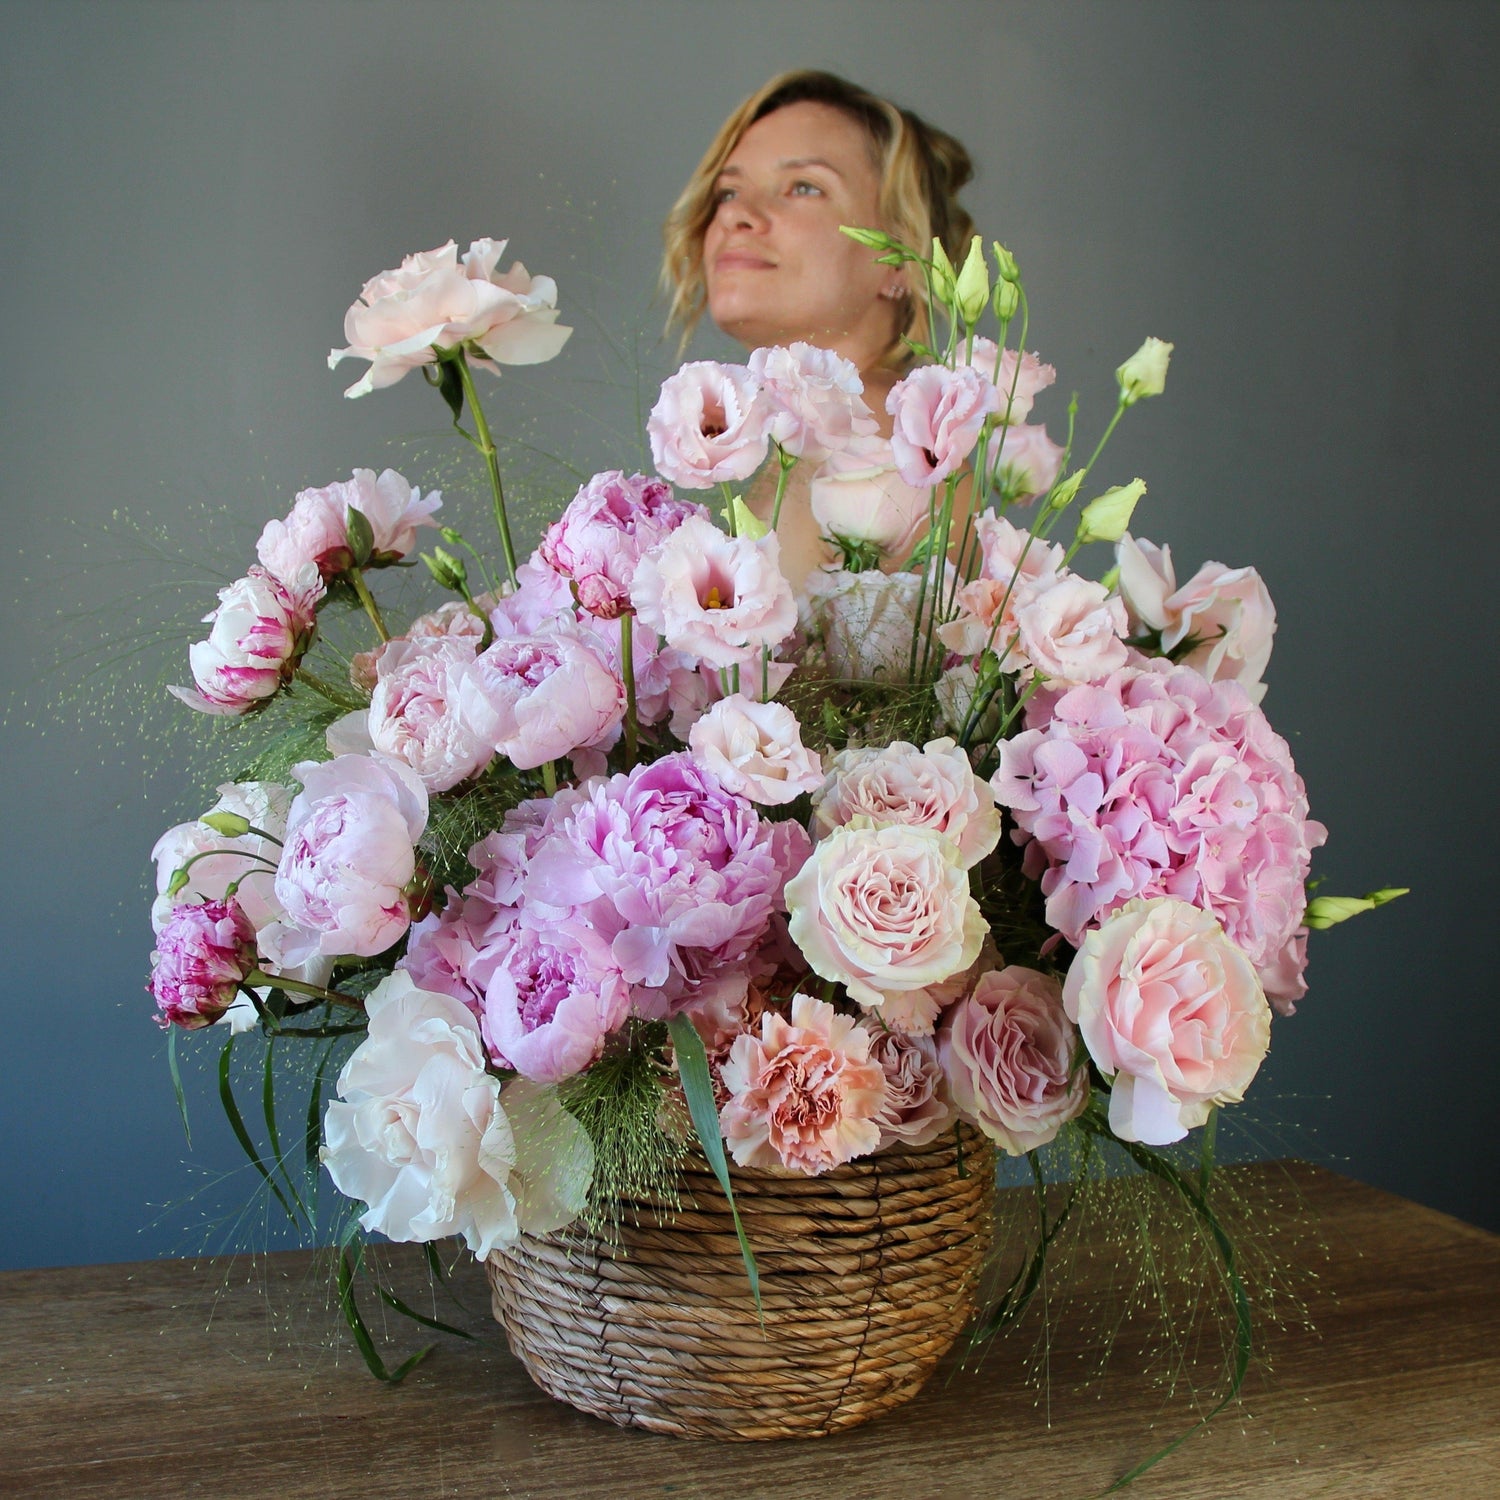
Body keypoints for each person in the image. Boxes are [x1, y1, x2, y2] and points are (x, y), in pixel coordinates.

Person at [661, 70, 980, 588]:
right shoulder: (807, 437)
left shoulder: (883, 434)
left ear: (899, 259)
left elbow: (796, 666)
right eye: (727, 192)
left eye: (804, 187)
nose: (739, 214)